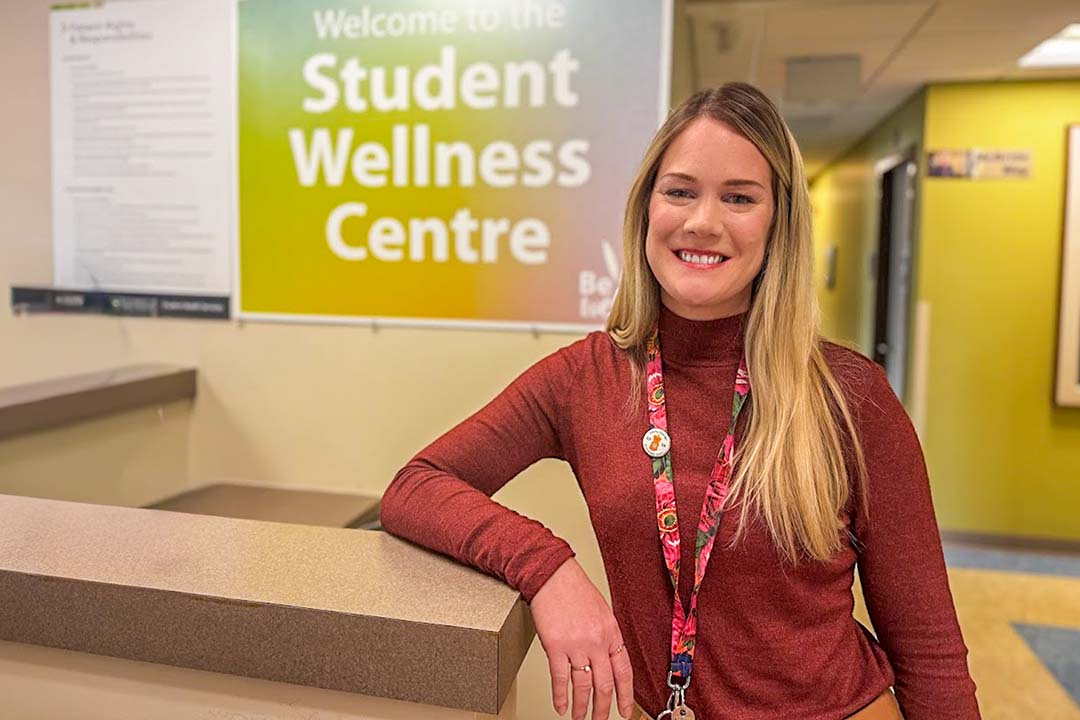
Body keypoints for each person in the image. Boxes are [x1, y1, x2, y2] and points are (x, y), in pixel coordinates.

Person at [380, 82, 980, 720]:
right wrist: (547, 569)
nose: (702, 221)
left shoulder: (849, 396)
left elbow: (929, 648)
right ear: (647, 208)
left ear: (778, 224)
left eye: (740, 198)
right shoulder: (584, 378)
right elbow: (417, 486)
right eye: (681, 190)